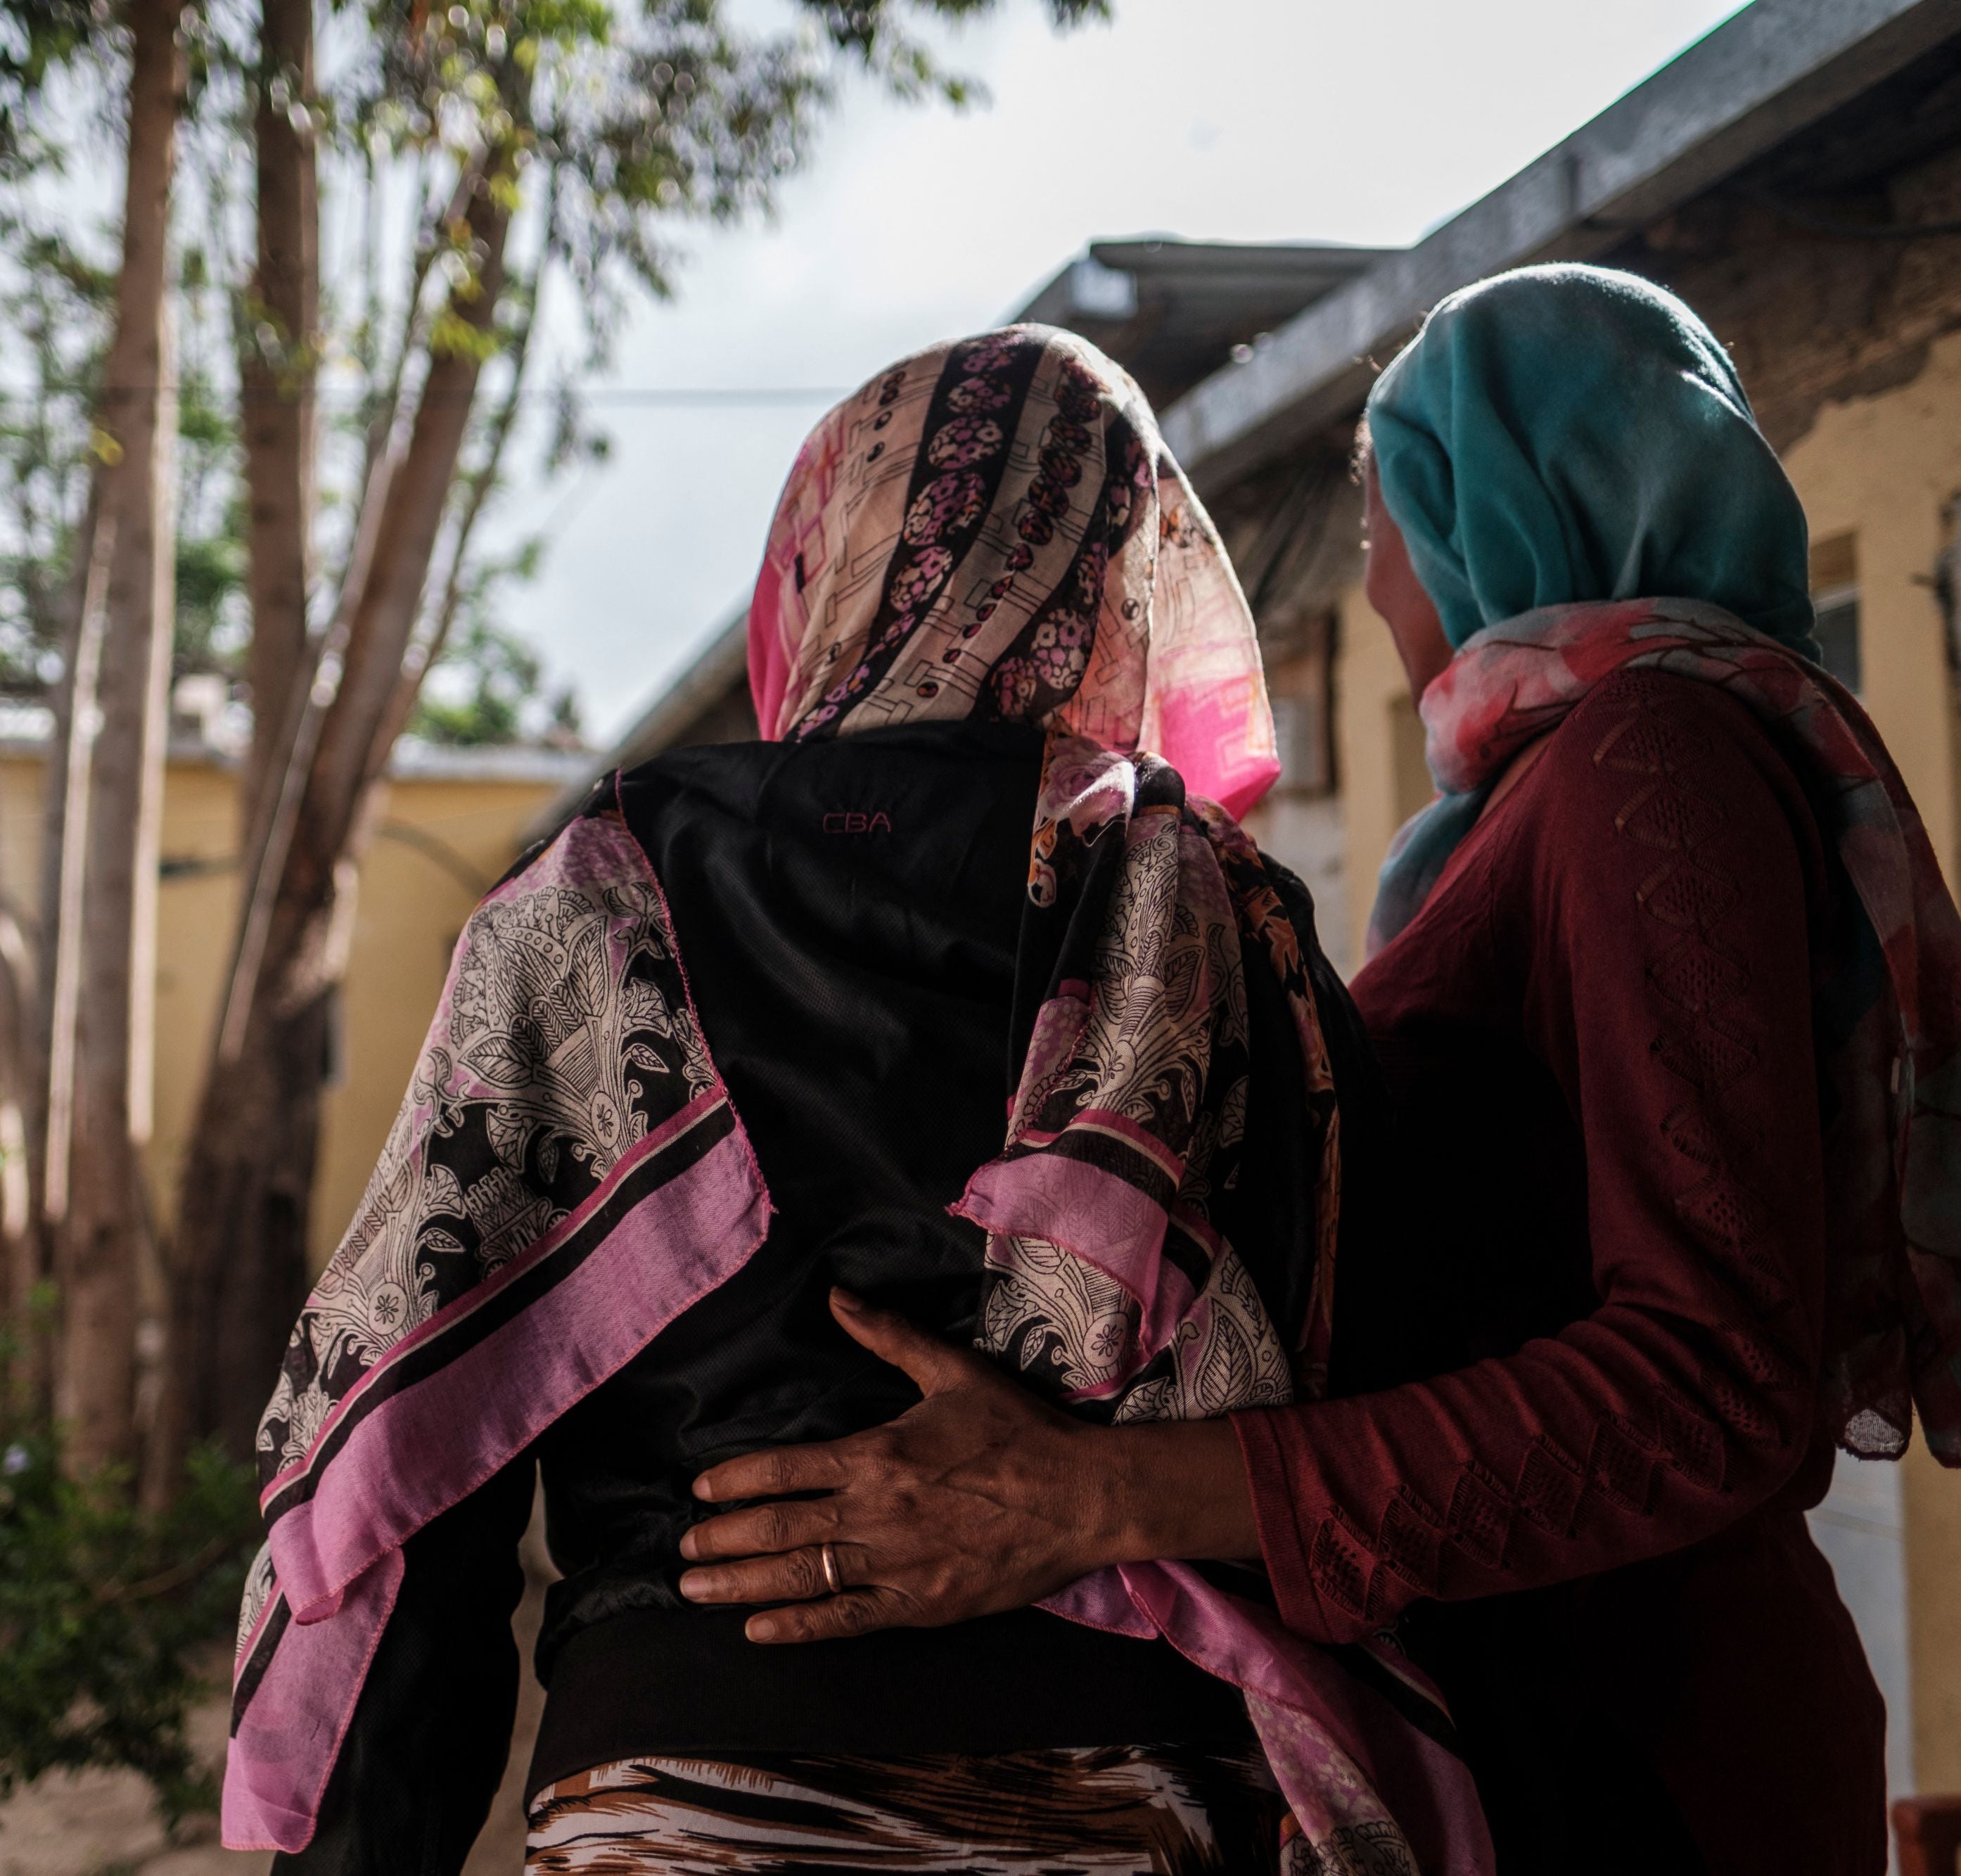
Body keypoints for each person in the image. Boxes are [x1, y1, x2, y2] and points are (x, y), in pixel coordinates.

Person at [677, 265, 1961, 1876]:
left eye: (1377, 533)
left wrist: (1095, 1503)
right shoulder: (1557, 803)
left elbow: (1707, 1390)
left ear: (1496, 505)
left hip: (1637, 1759)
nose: (1371, 598)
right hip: (1543, 1713)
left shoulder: (1650, 760)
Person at [224, 325, 1493, 1876]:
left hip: (682, 1790)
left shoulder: (596, 905)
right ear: (1126, 573)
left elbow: (416, 1466)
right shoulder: (1215, 923)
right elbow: (1379, 1406)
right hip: (1123, 1798)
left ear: (824, 557)